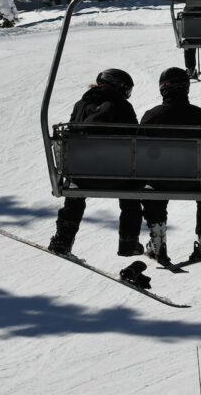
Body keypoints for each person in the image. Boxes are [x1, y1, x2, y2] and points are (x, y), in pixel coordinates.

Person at [47, 68, 151, 288]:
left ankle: (63, 240)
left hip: (82, 175)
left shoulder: (81, 105)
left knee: (75, 191)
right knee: (132, 191)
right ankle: (128, 243)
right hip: (118, 176)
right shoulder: (123, 106)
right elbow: (136, 138)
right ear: (120, 87)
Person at [134, 68, 201, 265]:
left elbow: (140, 153)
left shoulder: (152, 116)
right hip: (194, 180)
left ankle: (157, 238)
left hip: (159, 181)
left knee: (149, 182)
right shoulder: (199, 115)